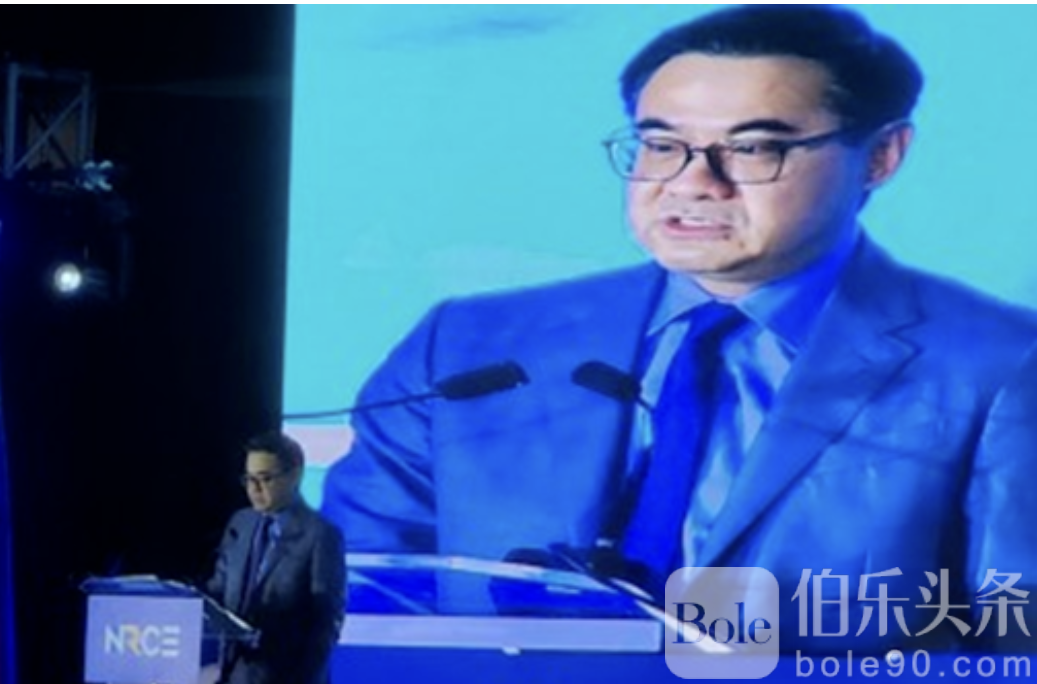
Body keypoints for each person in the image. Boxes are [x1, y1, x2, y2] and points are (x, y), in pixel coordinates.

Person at [321, 5, 1037, 652]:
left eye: (753, 148)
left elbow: (1018, 641)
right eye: (662, 145)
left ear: (880, 157)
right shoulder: (469, 348)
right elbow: (359, 598)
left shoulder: (999, 366)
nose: (693, 183)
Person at [203, 432, 347, 684]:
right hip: (232, 674)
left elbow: (326, 622)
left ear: (294, 475)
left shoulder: (320, 535)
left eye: (265, 479)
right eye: (249, 479)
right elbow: (217, 591)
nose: (254, 489)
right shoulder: (241, 523)